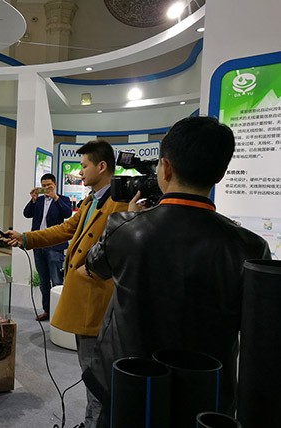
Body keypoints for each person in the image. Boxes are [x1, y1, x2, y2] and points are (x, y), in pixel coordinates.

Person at [83, 117, 272, 427]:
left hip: (131, 386)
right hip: (208, 399)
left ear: (166, 168)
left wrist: (130, 217)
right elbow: (259, 340)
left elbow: (95, 266)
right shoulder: (250, 247)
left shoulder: (125, 229)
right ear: (221, 173)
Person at [4, 140, 128, 428]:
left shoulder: (119, 204)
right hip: (85, 298)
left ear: (101, 166)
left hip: (99, 302)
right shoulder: (90, 200)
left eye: (84, 166)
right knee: (89, 369)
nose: (80, 172)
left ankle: (96, 423)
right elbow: (65, 229)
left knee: (96, 372)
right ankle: (91, 421)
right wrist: (26, 238)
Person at [23, 173, 72, 321]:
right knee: (44, 281)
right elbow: (26, 214)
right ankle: (47, 310)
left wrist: (55, 197)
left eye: (48, 185)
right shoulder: (38, 201)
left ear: (55, 184)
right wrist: (33, 200)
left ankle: (59, 314)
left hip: (55, 245)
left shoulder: (63, 199)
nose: (46, 188)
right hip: (38, 245)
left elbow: (67, 213)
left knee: (57, 280)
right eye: (43, 186)